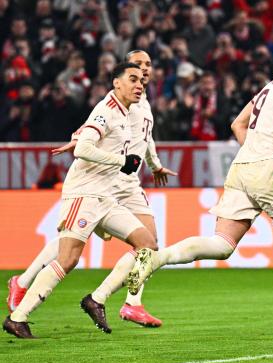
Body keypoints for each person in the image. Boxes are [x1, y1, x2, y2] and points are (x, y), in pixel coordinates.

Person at [126, 38, 273, 339]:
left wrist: (255, 153)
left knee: (222, 245)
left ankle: (155, 259)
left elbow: (237, 124)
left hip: (242, 166)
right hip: (267, 167)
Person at [7, 50, 177, 329]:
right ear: (118, 80)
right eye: (135, 71)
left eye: (146, 68)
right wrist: (80, 139)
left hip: (113, 187)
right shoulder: (113, 106)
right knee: (69, 253)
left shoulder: (137, 105)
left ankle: (116, 301)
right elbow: (93, 129)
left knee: (148, 245)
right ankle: (20, 306)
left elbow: (145, 138)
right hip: (90, 187)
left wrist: (154, 164)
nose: (142, 74)